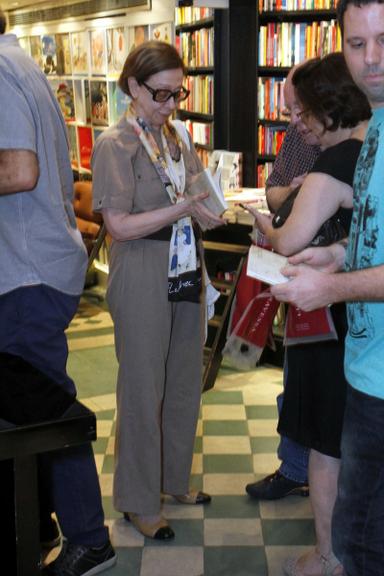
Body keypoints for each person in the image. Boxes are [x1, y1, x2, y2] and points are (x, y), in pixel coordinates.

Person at [91, 41, 224, 540]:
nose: (170, 105)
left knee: (184, 376)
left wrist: (212, 209)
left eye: (178, 94)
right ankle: (138, 499)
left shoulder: (177, 137)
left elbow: (196, 191)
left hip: (185, 263)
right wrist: (184, 208)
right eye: (161, 94)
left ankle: (173, 479)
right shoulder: (115, 145)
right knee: (142, 387)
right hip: (143, 267)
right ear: (132, 87)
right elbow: (120, 225)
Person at [0, 14, 116, 576]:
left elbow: (20, 170)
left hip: (26, 274)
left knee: (47, 409)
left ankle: (88, 538)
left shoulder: (0, 68)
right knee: (32, 409)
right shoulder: (20, 64)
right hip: (34, 268)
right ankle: (41, 522)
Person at [270, 2, 384, 574]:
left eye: (383, 40)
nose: (373, 59)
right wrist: (338, 254)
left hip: (361, 351)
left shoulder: (344, 153)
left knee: (361, 538)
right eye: (358, 44)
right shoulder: (376, 134)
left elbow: (286, 236)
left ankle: (326, 555)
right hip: (366, 361)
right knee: (362, 533)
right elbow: (374, 234)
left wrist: (331, 286)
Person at [247, 52, 371, 576]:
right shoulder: (372, 148)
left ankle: (327, 554)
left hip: (330, 313)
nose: (298, 123)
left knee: (328, 435)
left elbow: (290, 237)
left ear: (327, 107)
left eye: (303, 113)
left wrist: (267, 224)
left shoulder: (336, 161)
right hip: (361, 316)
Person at [246, 63, 321, 501]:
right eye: (290, 110)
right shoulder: (297, 136)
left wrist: (305, 192)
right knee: (295, 377)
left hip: (336, 281)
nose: (294, 120)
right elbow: (272, 191)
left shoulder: (355, 141)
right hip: (296, 269)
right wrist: (300, 193)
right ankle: (294, 467)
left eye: (300, 110)